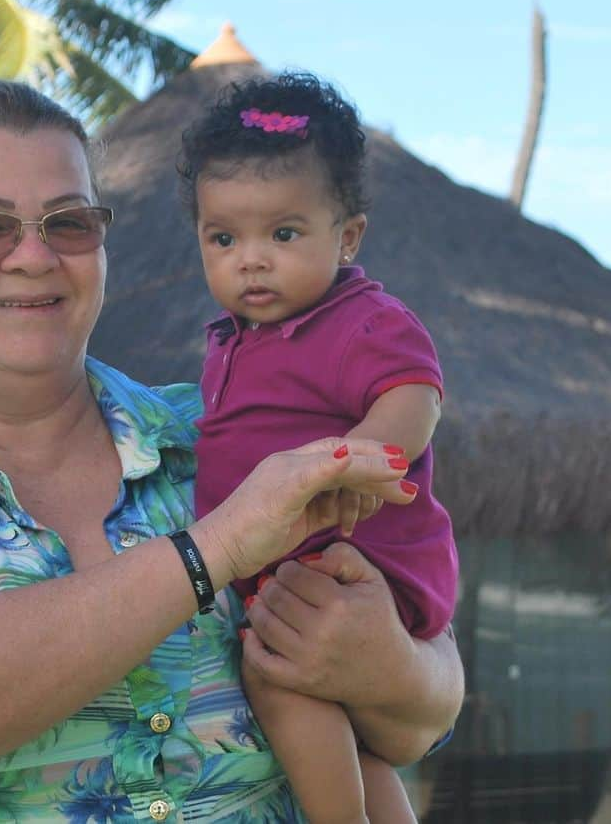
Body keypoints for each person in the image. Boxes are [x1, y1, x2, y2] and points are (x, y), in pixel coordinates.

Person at [0, 80, 464, 822]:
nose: (32, 255)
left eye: (68, 223)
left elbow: (428, 709)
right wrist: (213, 548)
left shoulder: (221, 432)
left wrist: (386, 664)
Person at [182, 72, 460, 824]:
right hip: (303, 562)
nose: (251, 259)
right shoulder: (232, 342)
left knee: (278, 680)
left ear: (347, 237)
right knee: (343, 731)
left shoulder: (359, 320)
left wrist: (356, 465)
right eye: (223, 238)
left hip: (355, 554)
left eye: (283, 233)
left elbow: (416, 392)